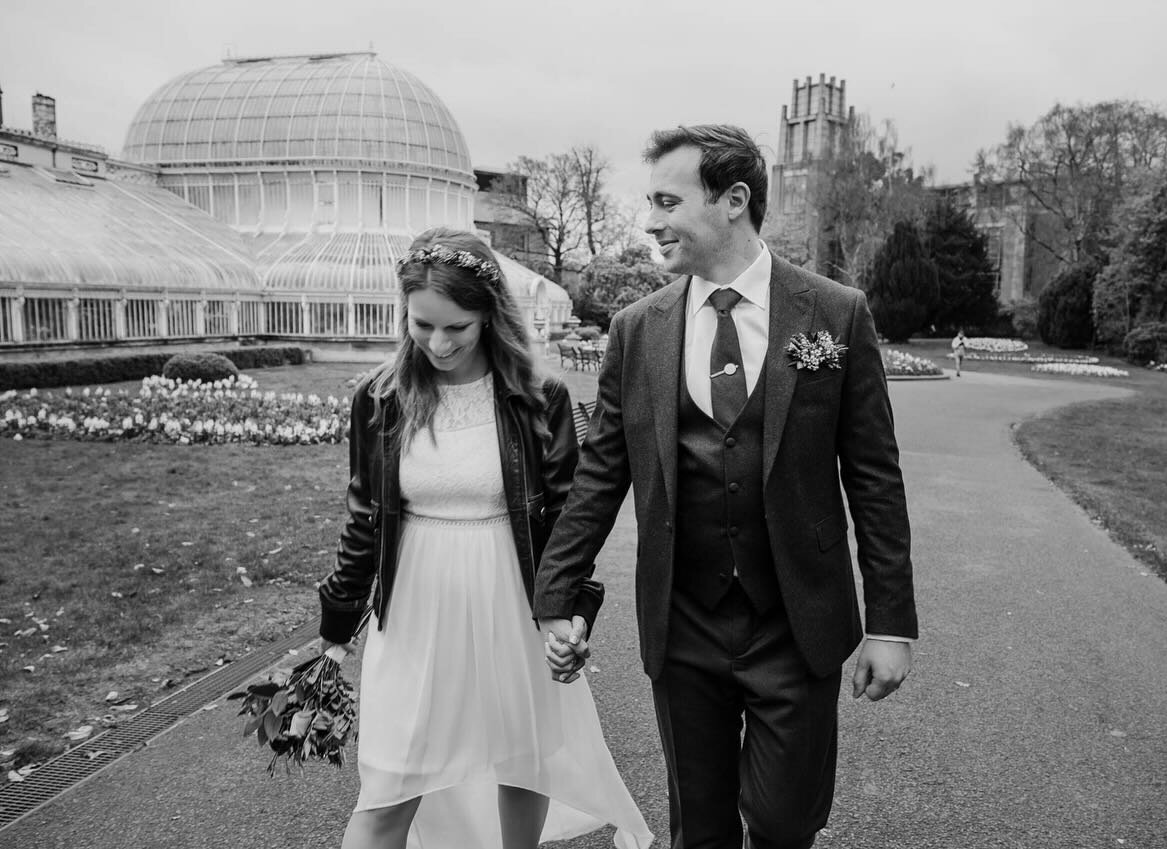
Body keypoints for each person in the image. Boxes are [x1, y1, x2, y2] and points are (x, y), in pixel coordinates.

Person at [534, 125, 918, 849]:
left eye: (666, 201)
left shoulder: (836, 314)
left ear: (734, 200)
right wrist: (558, 595)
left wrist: (890, 621)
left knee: (781, 822)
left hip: (795, 620)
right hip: (684, 622)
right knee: (699, 830)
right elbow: (600, 473)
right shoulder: (635, 330)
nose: (650, 220)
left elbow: (875, 478)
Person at [318, 228, 652, 849]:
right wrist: (336, 630)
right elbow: (364, 518)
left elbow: (563, 523)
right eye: (422, 325)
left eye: (457, 328)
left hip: (512, 601)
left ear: (491, 318)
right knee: (389, 783)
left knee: (521, 759)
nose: (437, 344)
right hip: (416, 610)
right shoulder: (379, 397)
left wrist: (572, 613)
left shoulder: (537, 397)